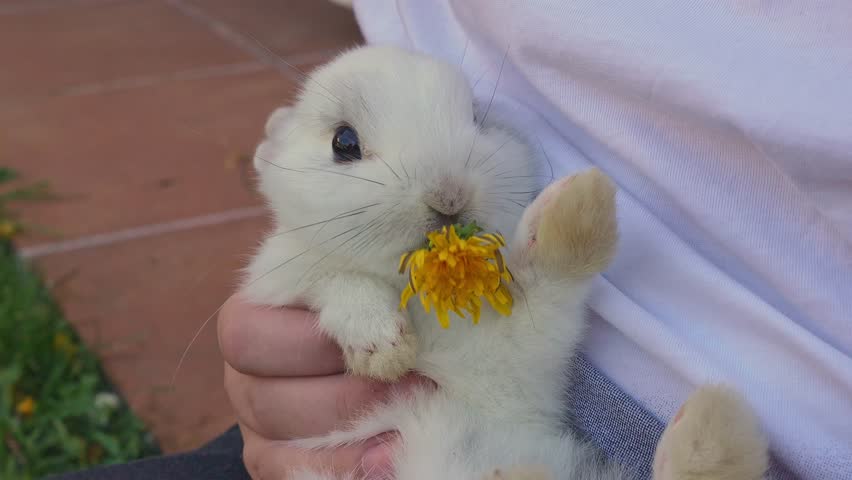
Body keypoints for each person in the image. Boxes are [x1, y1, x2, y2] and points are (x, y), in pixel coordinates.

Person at [52, 1, 851, 479]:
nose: (443, 197)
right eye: (346, 148)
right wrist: (347, 303)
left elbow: (515, 356)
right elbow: (297, 301)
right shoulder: (307, 252)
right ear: (279, 147)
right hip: (386, 448)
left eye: (474, 122)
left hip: (531, 422)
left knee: (525, 321)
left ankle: (562, 272)